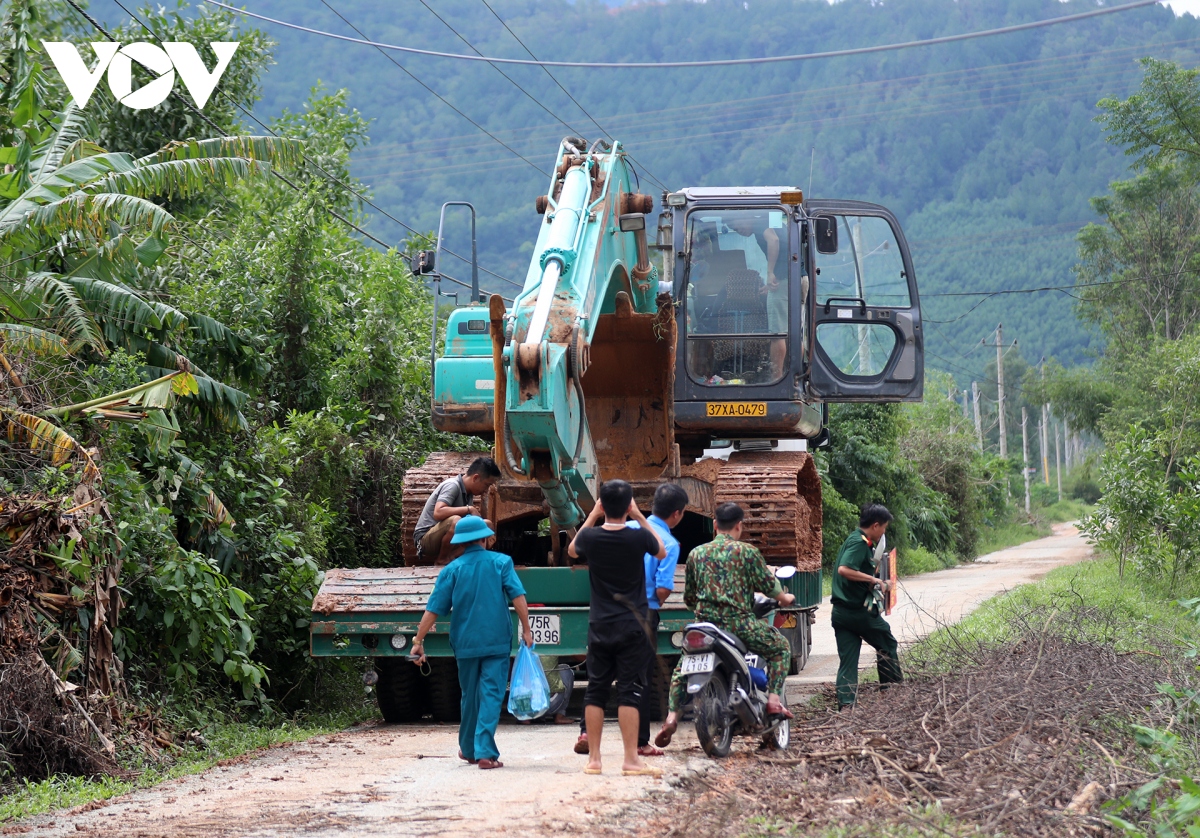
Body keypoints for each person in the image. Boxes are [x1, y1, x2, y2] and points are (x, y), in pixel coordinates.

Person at [655, 502, 795, 747]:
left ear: (715, 525)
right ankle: (773, 700)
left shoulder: (696, 554)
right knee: (781, 648)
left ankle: (672, 717)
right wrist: (786, 598)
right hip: (739, 624)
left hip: (705, 626)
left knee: (682, 668)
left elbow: (689, 596)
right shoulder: (746, 552)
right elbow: (770, 587)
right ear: (739, 526)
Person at [573, 483, 688, 757]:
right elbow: (662, 587)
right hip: (639, 614)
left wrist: (594, 516)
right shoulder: (656, 540)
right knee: (637, 681)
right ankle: (638, 744)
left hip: (601, 616)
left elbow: (575, 549)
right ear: (678, 513)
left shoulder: (605, 534)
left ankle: (587, 733)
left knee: (597, 682)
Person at [411, 516, 533, 770]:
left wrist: (418, 640)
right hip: (496, 641)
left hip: (465, 643)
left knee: (469, 695)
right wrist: (527, 629)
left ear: (462, 543)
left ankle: (468, 749)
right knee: (491, 693)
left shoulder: (451, 570)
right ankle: (485, 753)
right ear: (483, 538)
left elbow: (433, 609)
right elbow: (518, 597)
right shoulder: (501, 562)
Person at [830, 503, 903, 709]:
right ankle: (892, 694)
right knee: (887, 643)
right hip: (857, 612)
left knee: (849, 661)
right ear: (876, 525)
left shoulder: (857, 540)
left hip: (840, 613)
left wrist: (875, 576)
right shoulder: (859, 543)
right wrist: (876, 581)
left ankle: (846, 706)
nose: (884, 532)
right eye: (884, 527)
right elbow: (845, 569)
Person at [412, 456, 501, 565]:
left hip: (448, 536)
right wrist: (469, 509)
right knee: (456, 520)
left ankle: (452, 556)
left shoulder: (469, 494)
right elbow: (438, 512)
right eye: (486, 485)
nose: (486, 490)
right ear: (475, 478)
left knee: (487, 525)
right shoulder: (452, 485)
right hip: (425, 538)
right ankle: (442, 560)